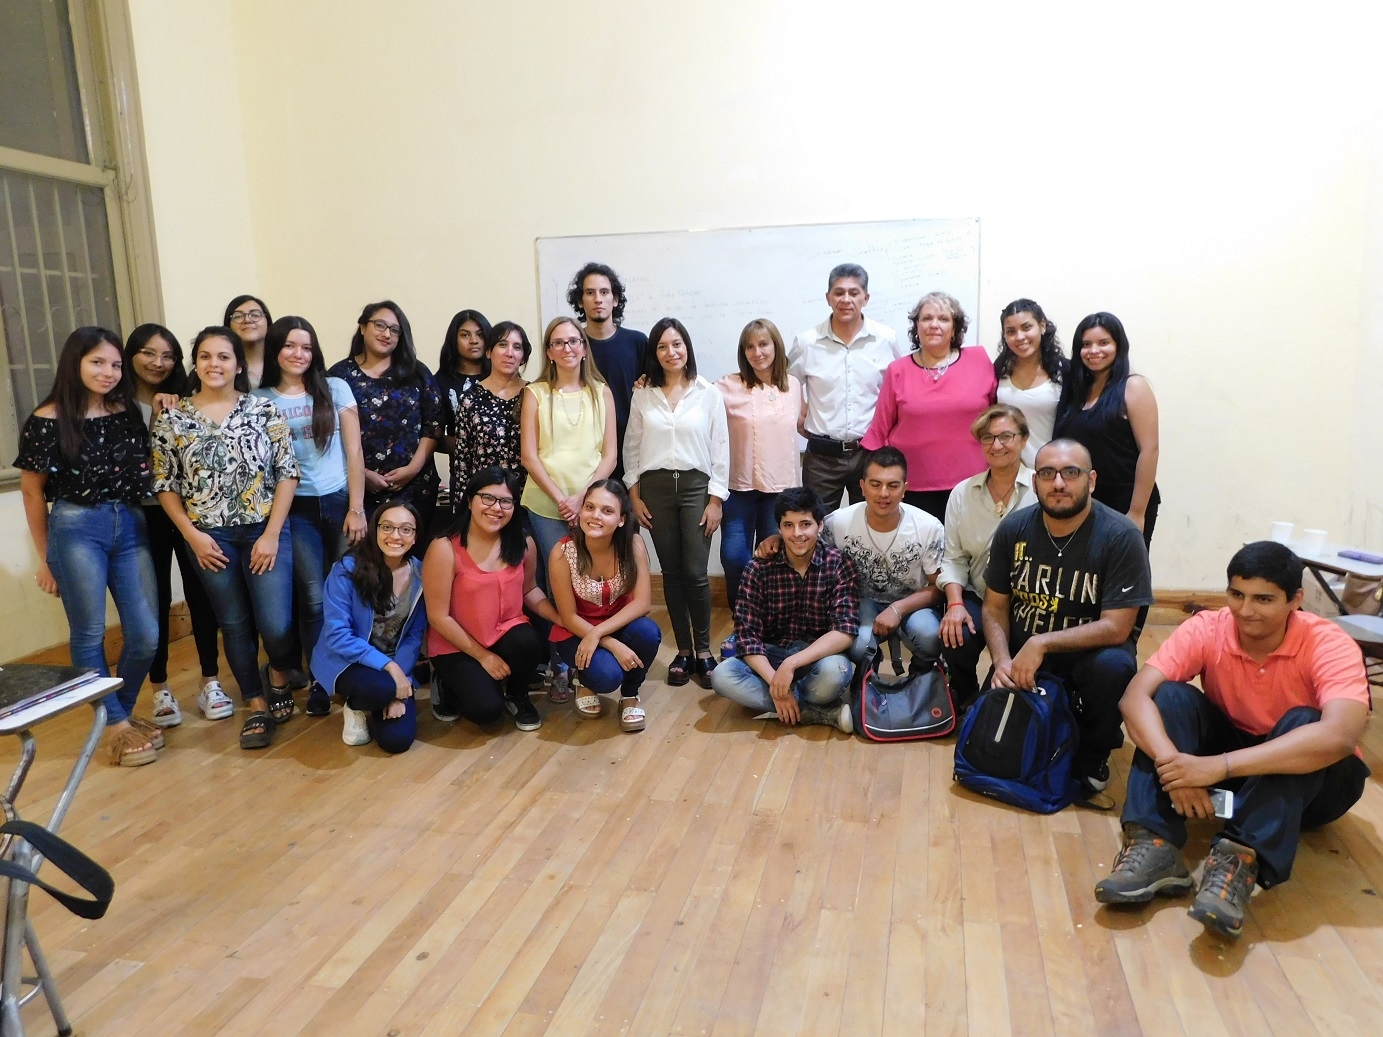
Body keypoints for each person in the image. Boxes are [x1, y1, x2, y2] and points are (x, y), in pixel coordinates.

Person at [1094, 542, 1370, 940]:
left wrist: (1216, 767)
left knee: (1305, 722)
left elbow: (1340, 736)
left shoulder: (1328, 642)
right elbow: (1134, 698)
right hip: (1232, 763)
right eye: (1236, 594)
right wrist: (1176, 769)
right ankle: (1154, 845)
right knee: (1169, 696)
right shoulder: (1209, 627)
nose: (1245, 610)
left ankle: (1237, 862)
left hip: (1318, 785)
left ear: (1296, 600)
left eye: (1263, 599)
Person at [15, 326, 162, 767]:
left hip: (130, 523)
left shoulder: (127, 410)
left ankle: (119, 714)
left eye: (115, 364)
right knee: (89, 633)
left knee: (146, 635)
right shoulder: (46, 420)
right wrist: (46, 558)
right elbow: (32, 492)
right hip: (76, 528)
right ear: (74, 363)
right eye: (97, 362)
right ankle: (116, 725)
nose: (108, 372)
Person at [152, 326, 300, 750]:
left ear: (238, 365)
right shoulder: (172, 418)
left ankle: (277, 673)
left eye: (223, 356)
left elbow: (287, 473)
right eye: (205, 356)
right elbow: (165, 483)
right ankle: (256, 704)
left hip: (263, 530)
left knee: (275, 624)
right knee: (232, 623)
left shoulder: (264, 410)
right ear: (195, 363)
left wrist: (272, 534)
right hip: (208, 538)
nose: (214, 364)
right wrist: (192, 535)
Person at [982, 438, 1152, 807]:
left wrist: (1042, 642)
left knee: (1114, 667)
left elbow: (1117, 627)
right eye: (1047, 474)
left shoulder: (1121, 536)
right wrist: (1001, 660)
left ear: (1091, 480)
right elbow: (995, 606)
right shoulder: (1014, 528)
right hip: (1023, 659)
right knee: (994, 751)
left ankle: (1093, 754)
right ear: (1035, 481)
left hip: (1088, 656)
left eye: (1070, 473)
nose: (1058, 483)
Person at [255, 316, 367, 715]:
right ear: (275, 349)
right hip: (295, 509)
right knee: (314, 599)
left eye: (306, 347)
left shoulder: (335, 387)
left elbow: (354, 451)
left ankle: (349, 670)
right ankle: (320, 678)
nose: (298, 354)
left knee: (346, 593)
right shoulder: (259, 398)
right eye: (289, 345)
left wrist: (357, 507)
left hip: (339, 501)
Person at [755, 448, 944, 675]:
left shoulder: (928, 527)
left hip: (911, 602)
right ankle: (867, 677)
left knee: (930, 636)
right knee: (858, 644)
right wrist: (777, 538)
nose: (883, 493)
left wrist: (898, 608)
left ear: (905, 489)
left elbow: (938, 587)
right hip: (861, 601)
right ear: (862, 486)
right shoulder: (838, 522)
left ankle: (921, 678)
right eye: (875, 484)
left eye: (893, 485)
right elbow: (804, 538)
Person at [124, 323, 226, 728]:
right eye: (149, 353)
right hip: (141, 514)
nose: (158, 362)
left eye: (168, 356)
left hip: (190, 511)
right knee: (156, 600)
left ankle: (210, 680)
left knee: (202, 594)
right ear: (131, 355)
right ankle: (160, 688)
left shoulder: (187, 400)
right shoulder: (117, 403)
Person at [625, 317, 728, 688]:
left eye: (677, 344)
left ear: (687, 347)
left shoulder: (708, 393)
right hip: (654, 489)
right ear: (654, 353)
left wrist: (716, 500)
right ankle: (683, 651)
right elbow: (632, 447)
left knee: (696, 573)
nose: (671, 352)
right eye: (663, 346)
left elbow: (720, 449)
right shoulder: (643, 393)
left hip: (696, 487)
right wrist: (633, 495)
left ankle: (704, 650)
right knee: (670, 572)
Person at [710, 486, 859, 731]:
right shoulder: (758, 568)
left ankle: (785, 705)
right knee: (722, 676)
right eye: (788, 525)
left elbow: (844, 631)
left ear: (820, 526)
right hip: (770, 654)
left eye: (805, 524)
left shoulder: (839, 564)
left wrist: (791, 665)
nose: (797, 533)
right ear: (778, 528)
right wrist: (775, 682)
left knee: (836, 672)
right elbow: (747, 636)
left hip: (814, 655)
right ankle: (810, 711)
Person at [424, 469, 558, 730]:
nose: (496, 508)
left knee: (529, 642)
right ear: (469, 500)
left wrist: (560, 618)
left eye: (506, 501)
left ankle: (517, 695)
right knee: (486, 711)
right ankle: (444, 681)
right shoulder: (444, 547)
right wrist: (483, 657)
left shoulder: (522, 543)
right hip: (457, 643)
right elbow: (438, 617)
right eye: (487, 498)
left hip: (504, 633)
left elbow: (529, 590)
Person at [862, 291, 996, 520]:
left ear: (955, 328)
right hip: (912, 487)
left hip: (973, 483)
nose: (934, 324)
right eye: (926, 318)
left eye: (943, 319)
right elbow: (879, 430)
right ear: (916, 327)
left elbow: (997, 418)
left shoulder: (979, 360)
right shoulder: (898, 370)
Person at [938, 404, 1035, 708]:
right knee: (955, 635)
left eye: (1006, 436)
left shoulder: (1041, 487)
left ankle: (988, 704)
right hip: (979, 594)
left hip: (1027, 601)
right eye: (988, 438)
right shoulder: (962, 493)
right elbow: (953, 558)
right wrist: (955, 604)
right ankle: (963, 698)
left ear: (1024, 439)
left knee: (1003, 685)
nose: (997, 445)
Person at [312, 502, 427, 753]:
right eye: (387, 527)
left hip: (393, 663)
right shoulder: (346, 570)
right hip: (347, 660)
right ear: (375, 530)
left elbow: (413, 636)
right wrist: (391, 671)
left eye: (406, 529)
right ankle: (355, 705)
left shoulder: (421, 573)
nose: (395, 536)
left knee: (396, 741)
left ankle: (378, 698)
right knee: (382, 688)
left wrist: (401, 682)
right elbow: (338, 636)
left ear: (415, 536)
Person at [789, 263, 905, 512]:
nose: (846, 299)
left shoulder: (885, 339)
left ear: (866, 298)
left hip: (870, 452)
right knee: (817, 524)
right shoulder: (807, 342)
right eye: (839, 292)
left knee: (871, 523)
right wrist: (800, 409)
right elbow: (786, 383)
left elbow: (900, 388)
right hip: (822, 457)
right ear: (828, 298)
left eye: (854, 293)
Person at [548, 480, 662, 732]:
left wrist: (599, 633)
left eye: (607, 511)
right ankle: (583, 681)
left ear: (621, 520)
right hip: (577, 631)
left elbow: (642, 603)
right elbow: (568, 617)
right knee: (607, 677)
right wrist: (610, 643)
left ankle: (630, 694)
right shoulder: (562, 552)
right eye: (589, 507)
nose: (595, 516)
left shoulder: (633, 544)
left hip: (616, 624)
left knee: (648, 633)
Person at [715, 318, 803, 633]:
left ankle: (770, 626)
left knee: (774, 561)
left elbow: (805, 421)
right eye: (749, 347)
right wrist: (650, 382)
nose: (757, 352)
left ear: (775, 346)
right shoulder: (728, 385)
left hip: (779, 491)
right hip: (738, 488)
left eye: (763, 344)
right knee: (734, 557)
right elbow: (691, 395)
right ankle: (743, 622)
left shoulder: (793, 385)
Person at [328, 300, 444, 536]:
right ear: (363, 327)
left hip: (416, 488)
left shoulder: (417, 372)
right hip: (359, 495)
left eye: (394, 330)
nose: (386, 334)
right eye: (380, 325)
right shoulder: (339, 376)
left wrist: (412, 468)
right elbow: (328, 433)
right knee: (364, 556)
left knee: (412, 554)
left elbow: (434, 424)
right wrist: (362, 473)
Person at [519, 317, 618, 569]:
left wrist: (582, 499)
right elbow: (529, 456)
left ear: (584, 348)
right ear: (549, 352)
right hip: (546, 502)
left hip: (592, 503)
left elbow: (610, 455)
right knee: (559, 573)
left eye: (573, 341)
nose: (567, 348)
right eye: (559, 343)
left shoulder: (602, 393)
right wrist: (563, 501)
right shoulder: (535, 393)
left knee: (591, 572)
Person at [1053, 312, 1159, 545]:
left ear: (1118, 345)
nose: (1094, 351)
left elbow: (1149, 450)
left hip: (1125, 500)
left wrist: (1137, 512)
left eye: (1103, 343)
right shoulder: (1076, 392)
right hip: (1084, 499)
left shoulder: (1133, 386)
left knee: (1123, 566)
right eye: (1086, 344)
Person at [567, 263, 647, 479]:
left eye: (604, 292)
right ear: (580, 301)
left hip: (633, 449)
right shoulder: (571, 347)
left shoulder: (638, 343)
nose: (598, 299)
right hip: (585, 451)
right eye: (590, 293)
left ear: (616, 299)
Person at [450, 320, 530, 505]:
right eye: (502, 345)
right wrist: (463, 507)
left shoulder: (534, 395)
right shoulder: (470, 399)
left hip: (527, 499)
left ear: (523, 357)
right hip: (486, 501)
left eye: (517, 347)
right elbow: (463, 461)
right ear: (488, 352)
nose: (509, 353)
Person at [993, 299, 1066, 466]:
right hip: (1009, 470)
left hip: (1052, 470)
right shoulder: (999, 370)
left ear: (1042, 326)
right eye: (1011, 331)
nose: (1019, 337)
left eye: (1026, 328)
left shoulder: (1065, 372)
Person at [435, 308, 493, 499]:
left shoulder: (501, 377)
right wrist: (473, 446)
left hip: (505, 474)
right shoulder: (440, 382)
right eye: (465, 335)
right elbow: (434, 437)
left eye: (480, 334)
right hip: (463, 474)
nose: (474, 341)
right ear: (454, 340)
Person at [224, 294, 272, 388]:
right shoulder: (219, 365)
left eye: (255, 315)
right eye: (238, 316)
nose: (247, 320)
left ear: (268, 321)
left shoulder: (283, 362)